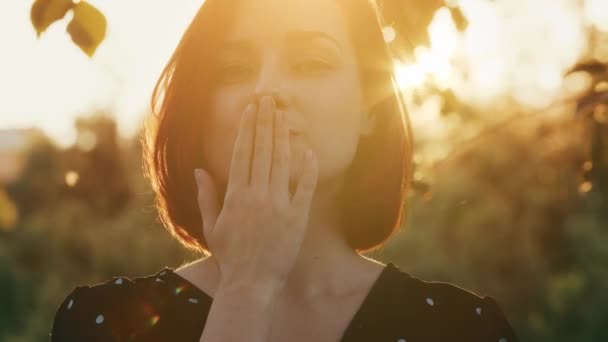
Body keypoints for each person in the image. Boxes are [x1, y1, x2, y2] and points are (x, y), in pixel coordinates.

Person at [50, 0, 520, 341]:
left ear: (368, 108)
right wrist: (246, 289)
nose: (267, 89)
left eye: (311, 62)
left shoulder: (462, 328)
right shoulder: (102, 323)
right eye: (232, 69)